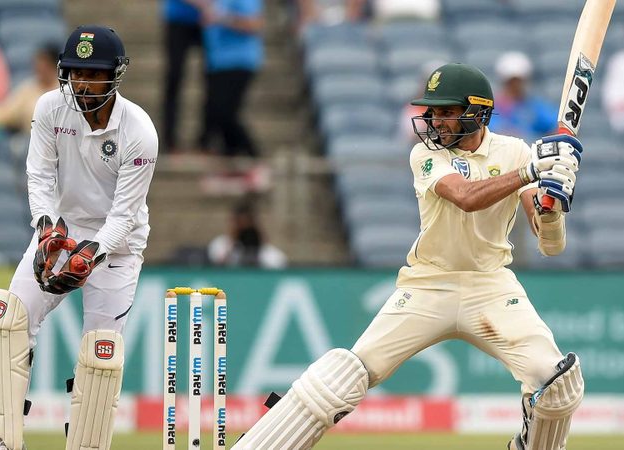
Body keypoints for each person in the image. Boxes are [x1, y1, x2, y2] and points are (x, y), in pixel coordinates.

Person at [233, 63, 585, 450]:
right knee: (343, 377)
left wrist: (552, 206)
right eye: (433, 111)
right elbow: (465, 197)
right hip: (428, 285)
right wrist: (531, 171)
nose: (435, 120)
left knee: (556, 382)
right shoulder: (425, 154)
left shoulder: (514, 151)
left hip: (491, 285)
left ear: (478, 112)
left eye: (447, 111)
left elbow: (550, 243)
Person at [0, 25, 158, 450]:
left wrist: (91, 255)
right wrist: (45, 229)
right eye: (76, 72)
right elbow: (39, 175)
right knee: (8, 322)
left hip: (117, 247)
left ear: (114, 74)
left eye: (93, 74)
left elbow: (123, 215)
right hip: (61, 233)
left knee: (100, 353)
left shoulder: (140, 132)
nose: (82, 82)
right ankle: (2, 440)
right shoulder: (49, 107)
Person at [199, 0, 264, 158]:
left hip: (238, 61)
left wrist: (223, 18)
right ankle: (232, 155)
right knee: (215, 116)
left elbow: (255, 24)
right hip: (215, 63)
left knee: (225, 113)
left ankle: (254, 155)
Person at [0, 44, 61, 133]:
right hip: (30, 138)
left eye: (45, 64)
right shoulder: (29, 88)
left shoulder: (65, 89)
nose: (40, 68)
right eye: (38, 63)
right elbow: (7, 111)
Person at [161, 0, 207, 153]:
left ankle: (206, 140)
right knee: (174, 78)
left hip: (209, 20)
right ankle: (169, 140)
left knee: (214, 79)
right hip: (179, 18)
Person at [489, 51, 558, 142]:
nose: (515, 86)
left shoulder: (535, 105)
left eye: (518, 81)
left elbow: (555, 126)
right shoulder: (491, 108)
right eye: (511, 82)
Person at [207, 200, 287, 268]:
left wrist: (258, 241)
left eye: (247, 226)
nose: (244, 232)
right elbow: (218, 267)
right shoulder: (219, 244)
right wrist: (232, 243)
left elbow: (278, 264)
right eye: (239, 224)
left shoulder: (270, 254)